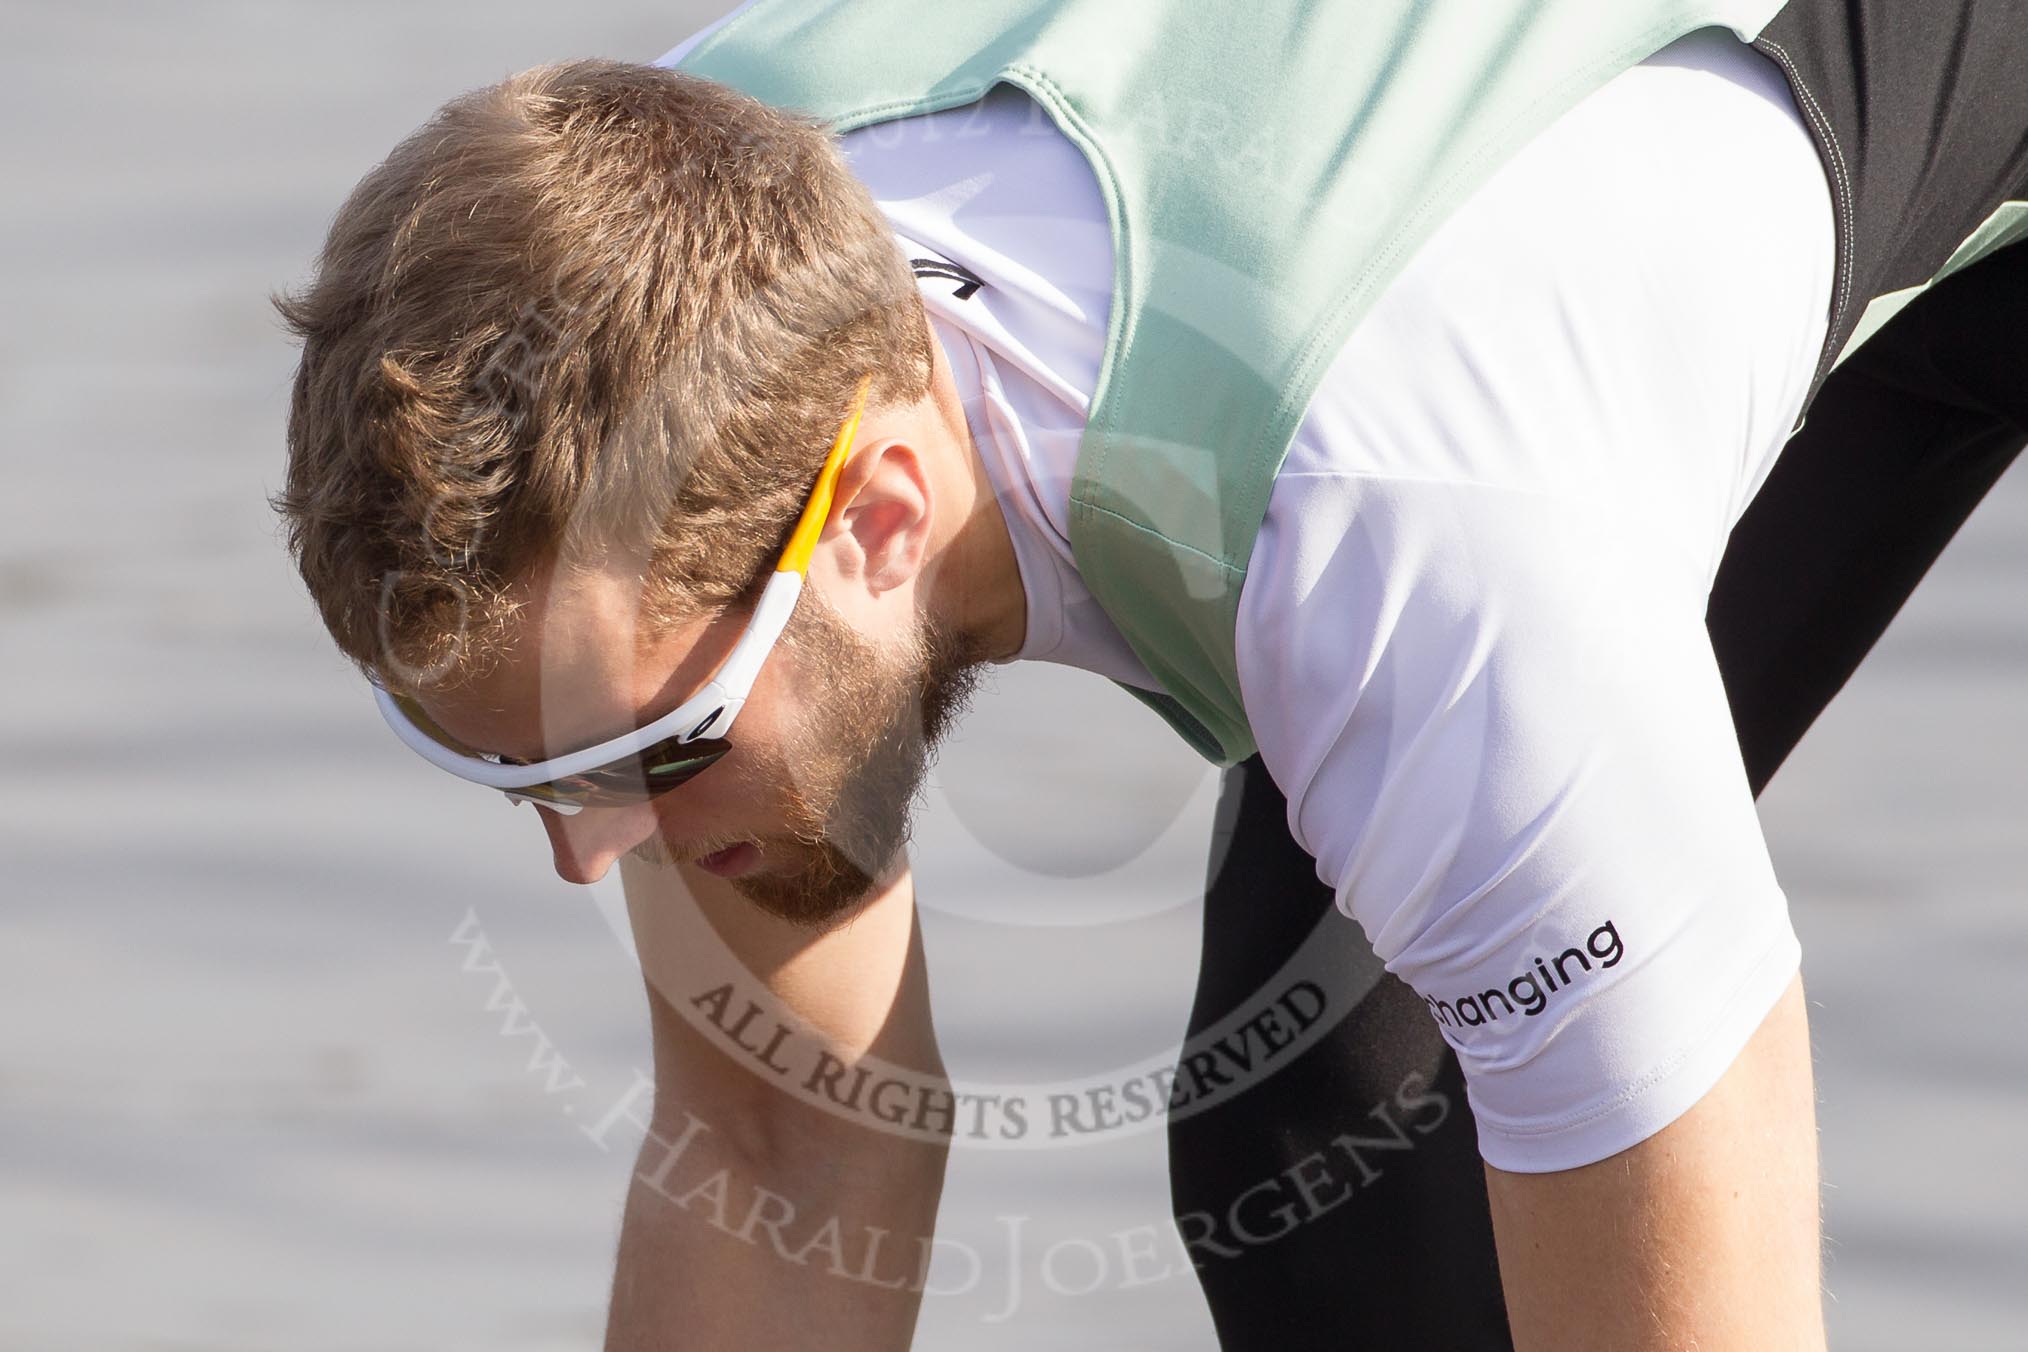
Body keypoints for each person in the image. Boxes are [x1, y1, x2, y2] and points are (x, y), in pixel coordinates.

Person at [272, 1, 2027, 1347]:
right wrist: (646, 742)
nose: (588, 855)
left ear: (879, 516)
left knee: (1367, 1144)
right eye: (521, 776)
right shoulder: (676, 283)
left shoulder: (1414, 551)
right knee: (1327, 1144)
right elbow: (772, 1145)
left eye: (650, 747)